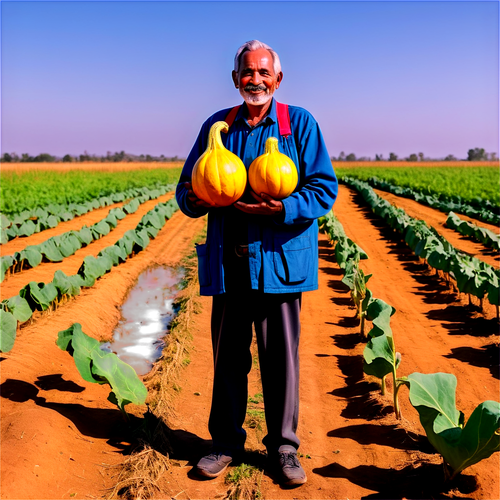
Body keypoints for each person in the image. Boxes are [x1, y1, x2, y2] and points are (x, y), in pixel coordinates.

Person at [175, 40, 338, 487]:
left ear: (278, 78)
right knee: (228, 358)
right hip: (230, 262)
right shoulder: (218, 127)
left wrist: (282, 210)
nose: (256, 80)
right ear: (235, 79)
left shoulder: (298, 124)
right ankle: (225, 443)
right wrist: (194, 197)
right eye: (248, 72)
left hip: (279, 263)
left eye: (264, 73)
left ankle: (284, 448)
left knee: (280, 360)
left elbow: (324, 189)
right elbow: (186, 186)